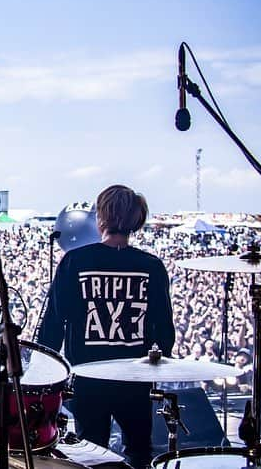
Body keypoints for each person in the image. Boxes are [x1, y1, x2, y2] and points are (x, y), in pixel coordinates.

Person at [38, 184, 175, 469]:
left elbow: (53, 325)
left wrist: (44, 377)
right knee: (139, 452)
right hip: (134, 380)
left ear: (100, 218)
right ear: (137, 220)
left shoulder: (75, 261)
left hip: (88, 378)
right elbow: (164, 331)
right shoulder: (151, 266)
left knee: (91, 454)